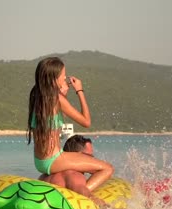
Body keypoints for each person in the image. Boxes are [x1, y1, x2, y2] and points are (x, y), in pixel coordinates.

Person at [27, 57, 113, 195]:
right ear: (55, 78)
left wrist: (63, 93)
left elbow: (54, 116)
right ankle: (81, 194)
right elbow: (86, 122)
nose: (65, 78)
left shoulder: (36, 95)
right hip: (54, 159)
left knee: (81, 158)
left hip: (40, 161)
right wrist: (79, 90)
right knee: (107, 169)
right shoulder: (56, 98)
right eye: (63, 75)